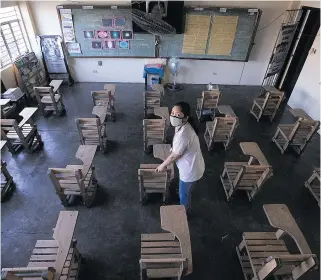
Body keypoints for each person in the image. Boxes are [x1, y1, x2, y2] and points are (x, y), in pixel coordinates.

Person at [156, 101, 205, 213]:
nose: (173, 116)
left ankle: (185, 212)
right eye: (172, 113)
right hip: (193, 164)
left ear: (186, 117)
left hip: (190, 171)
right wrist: (174, 148)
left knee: (184, 195)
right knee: (186, 189)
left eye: (178, 115)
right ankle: (186, 192)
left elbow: (174, 156)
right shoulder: (183, 125)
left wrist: (162, 166)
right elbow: (179, 147)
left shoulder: (184, 134)